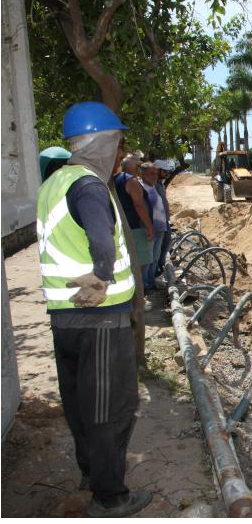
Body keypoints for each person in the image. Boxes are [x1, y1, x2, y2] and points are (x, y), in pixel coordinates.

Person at [35, 101, 151, 517]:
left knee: (80, 402)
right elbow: (101, 238)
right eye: (117, 144)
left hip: (64, 315)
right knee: (110, 409)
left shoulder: (53, 183)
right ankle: (110, 495)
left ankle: (89, 473)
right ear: (102, 143)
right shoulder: (87, 184)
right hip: (100, 317)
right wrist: (102, 276)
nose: (120, 154)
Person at [114, 155, 154, 308]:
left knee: (130, 265)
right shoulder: (131, 181)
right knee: (138, 267)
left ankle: (130, 299)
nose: (140, 168)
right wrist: (149, 226)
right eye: (138, 165)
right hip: (136, 229)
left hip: (124, 227)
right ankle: (137, 301)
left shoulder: (115, 179)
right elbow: (139, 205)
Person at [139, 162, 167, 291]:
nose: (154, 176)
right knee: (147, 259)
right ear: (142, 173)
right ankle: (145, 285)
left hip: (160, 228)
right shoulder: (140, 187)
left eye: (155, 173)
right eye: (151, 173)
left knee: (155, 257)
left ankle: (151, 283)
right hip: (149, 229)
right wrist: (148, 226)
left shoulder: (154, 187)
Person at [153, 159, 173, 277]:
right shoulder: (153, 185)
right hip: (157, 221)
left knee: (166, 241)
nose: (166, 174)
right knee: (158, 246)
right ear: (158, 171)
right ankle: (156, 269)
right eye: (164, 171)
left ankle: (159, 265)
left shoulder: (159, 183)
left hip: (163, 220)